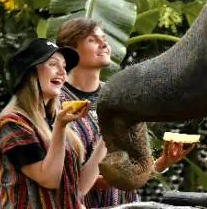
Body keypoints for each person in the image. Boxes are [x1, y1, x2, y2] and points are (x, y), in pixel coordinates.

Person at [56, 17, 194, 207]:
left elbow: (134, 169)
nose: (104, 44)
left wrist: (163, 162)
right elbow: (55, 176)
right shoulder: (56, 102)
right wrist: (105, 179)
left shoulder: (122, 100)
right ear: (70, 51)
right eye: (92, 40)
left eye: (103, 38)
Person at [0, 38, 107, 208]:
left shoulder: (54, 119)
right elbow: (49, 179)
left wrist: (108, 136)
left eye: (64, 66)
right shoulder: (12, 124)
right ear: (30, 72)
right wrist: (60, 127)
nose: (63, 72)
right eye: (53, 64)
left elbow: (78, 189)